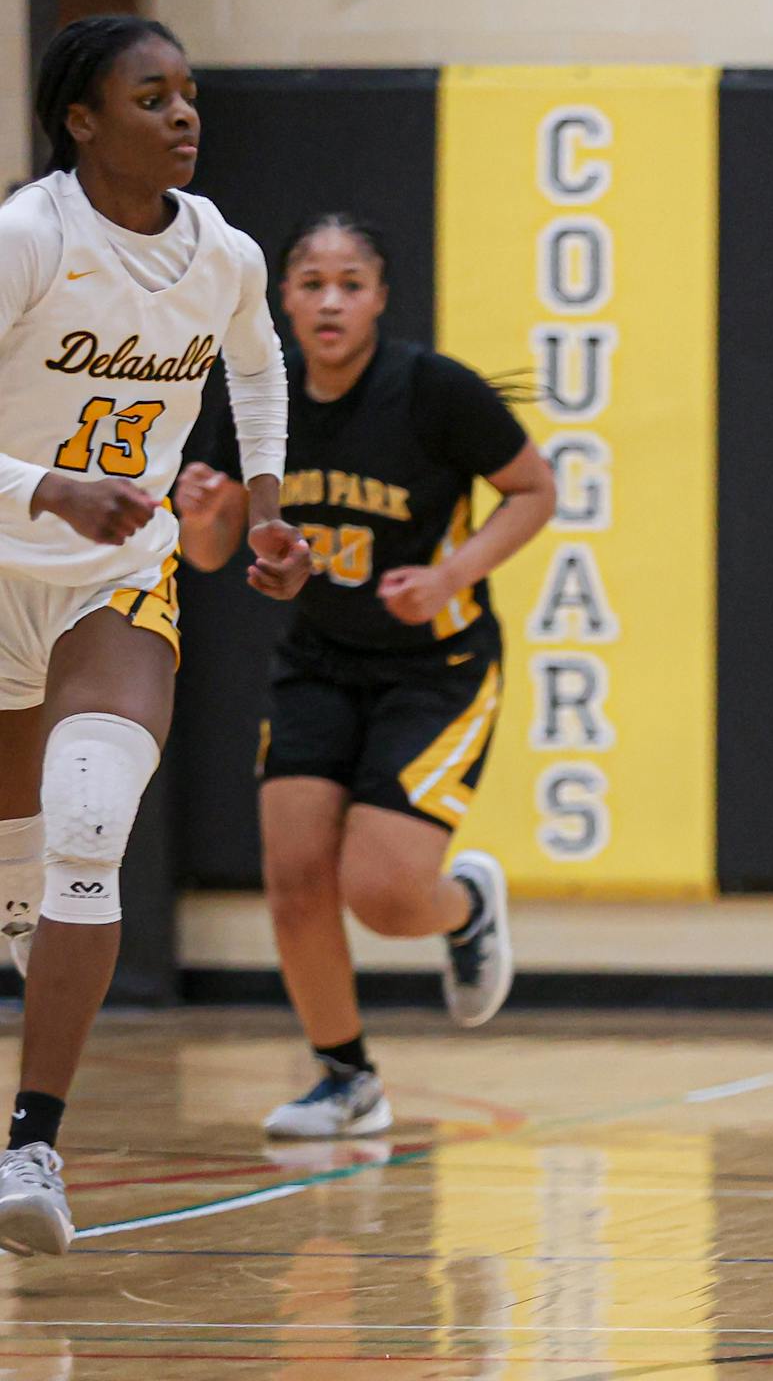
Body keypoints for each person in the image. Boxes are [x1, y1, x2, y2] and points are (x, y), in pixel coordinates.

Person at [0, 16, 312, 1255]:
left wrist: (272, 509)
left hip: (113, 584)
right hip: (4, 553)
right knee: (21, 883)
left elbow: (258, 364)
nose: (185, 115)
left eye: (189, 94)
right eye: (152, 97)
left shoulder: (222, 251)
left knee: (89, 821)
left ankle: (31, 1147)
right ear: (82, 121)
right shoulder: (29, 238)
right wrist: (47, 487)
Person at [177, 213, 552, 1141]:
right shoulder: (260, 399)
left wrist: (452, 574)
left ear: (381, 297)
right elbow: (216, 549)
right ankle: (346, 1078)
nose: (330, 299)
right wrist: (199, 513)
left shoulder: (433, 392)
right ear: (285, 300)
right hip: (319, 660)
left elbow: (535, 489)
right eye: (311, 282)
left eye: (351, 282)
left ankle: (462, 909)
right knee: (296, 877)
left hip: (439, 666)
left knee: (382, 897)